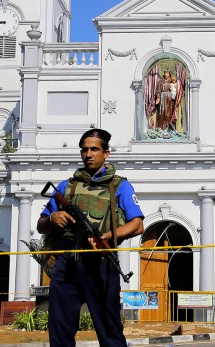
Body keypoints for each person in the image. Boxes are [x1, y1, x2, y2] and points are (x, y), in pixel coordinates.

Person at [37, 128, 144, 347]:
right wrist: (53, 218)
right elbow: (41, 225)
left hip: (102, 262)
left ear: (106, 153)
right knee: (60, 328)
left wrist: (107, 236)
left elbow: (138, 225)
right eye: (84, 149)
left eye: (94, 149)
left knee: (109, 329)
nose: (88, 154)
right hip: (67, 263)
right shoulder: (68, 186)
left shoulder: (119, 186)